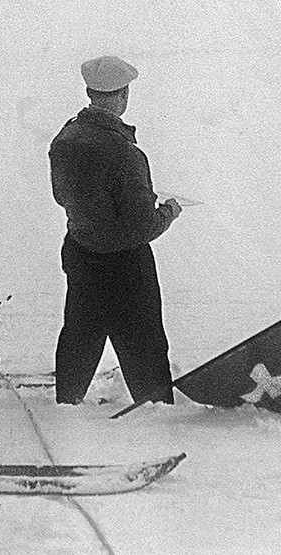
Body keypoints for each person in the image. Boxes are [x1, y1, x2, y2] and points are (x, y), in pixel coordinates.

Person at [48, 55, 181, 407]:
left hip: (80, 251)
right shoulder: (124, 152)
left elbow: (61, 195)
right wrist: (168, 211)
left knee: (81, 333)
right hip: (124, 264)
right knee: (144, 342)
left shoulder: (66, 138)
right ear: (121, 96)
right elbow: (142, 226)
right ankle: (156, 410)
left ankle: (67, 402)